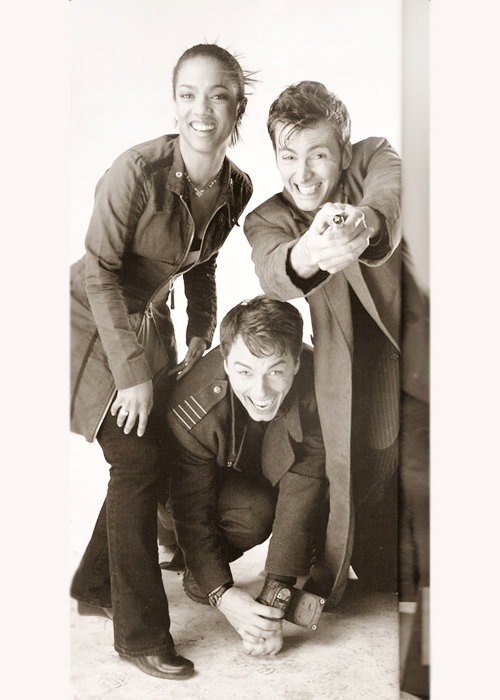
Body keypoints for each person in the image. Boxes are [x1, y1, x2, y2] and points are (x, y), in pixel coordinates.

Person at [69, 43, 254, 679]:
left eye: (218, 96)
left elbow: (203, 263)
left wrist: (201, 330)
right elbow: (99, 273)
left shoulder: (236, 186)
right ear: (174, 102)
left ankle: (95, 583)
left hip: (149, 325)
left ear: (237, 109)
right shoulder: (136, 170)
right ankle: (140, 635)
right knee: (137, 456)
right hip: (89, 321)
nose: (202, 110)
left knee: (147, 450)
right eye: (188, 94)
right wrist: (131, 376)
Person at [244, 81, 428, 603]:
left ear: (343, 153)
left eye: (318, 155)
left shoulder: (374, 155)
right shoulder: (267, 217)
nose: (303, 173)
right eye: (289, 157)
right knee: (381, 565)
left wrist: (361, 223)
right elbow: (273, 270)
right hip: (356, 385)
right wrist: (310, 251)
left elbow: (390, 191)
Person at [166, 296, 327, 657]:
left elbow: (303, 485)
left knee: (263, 505)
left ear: (297, 362)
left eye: (275, 371)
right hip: (182, 497)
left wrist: (272, 607)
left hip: (249, 480)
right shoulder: (194, 404)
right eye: (244, 372)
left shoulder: (318, 384)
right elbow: (190, 509)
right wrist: (221, 593)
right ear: (225, 362)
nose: (261, 391)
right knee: (250, 515)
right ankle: (191, 561)